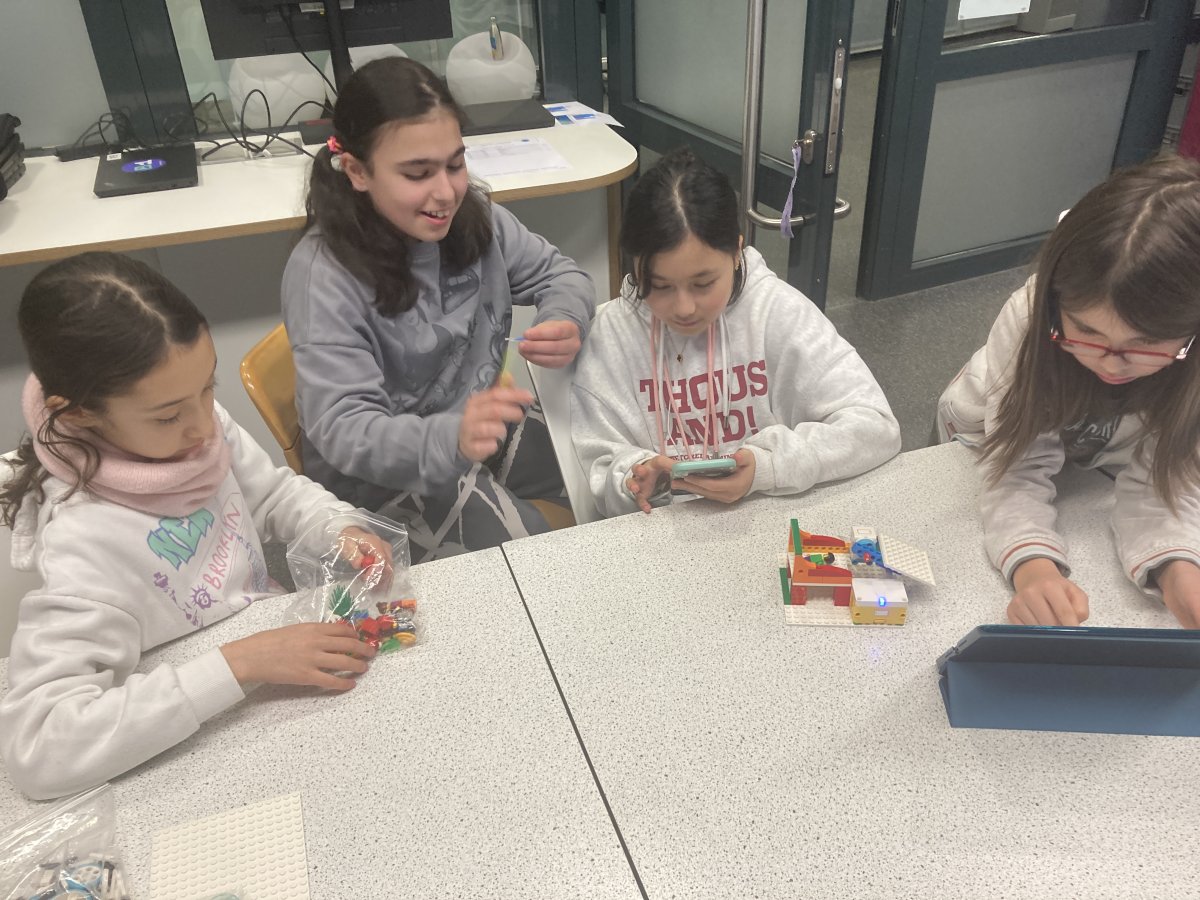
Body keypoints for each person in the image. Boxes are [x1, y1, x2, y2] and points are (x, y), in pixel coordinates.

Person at [0, 253, 390, 800]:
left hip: (270, 670)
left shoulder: (196, 427)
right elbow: (39, 751)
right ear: (79, 414)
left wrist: (336, 527)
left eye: (209, 388)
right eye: (168, 415)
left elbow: (272, 495)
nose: (205, 425)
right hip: (202, 741)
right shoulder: (81, 543)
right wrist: (242, 662)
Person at [283, 57, 594, 562]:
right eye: (417, 173)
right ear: (357, 171)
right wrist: (452, 437)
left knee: (604, 467)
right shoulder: (323, 275)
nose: (446, 192)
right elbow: (346, 431)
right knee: (536, 559)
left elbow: (562, 275)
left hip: (471, 425)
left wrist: (564, 318)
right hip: (383, 477)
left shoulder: (477, 218)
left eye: (455, 164)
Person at [937, 154, 1200, 628]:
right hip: (985, 434)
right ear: (1055, 302)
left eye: (1145, 343)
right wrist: (1034, 569)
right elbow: (1015, 467)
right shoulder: (1029, 318)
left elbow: (1166, 474)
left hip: (1101, 457)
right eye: (1087, 331)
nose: (1110, 362)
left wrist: (1179, 572)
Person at [570, 147, 901, 517]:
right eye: (660, 286)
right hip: (661, 531)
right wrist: (635, 479)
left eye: (703, 284)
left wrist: (767, 466)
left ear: (736, 253)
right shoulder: (613, 336)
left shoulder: (775, 311)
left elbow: (876, 426)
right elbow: (599, 464)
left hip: (772, 519)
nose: (684, 308)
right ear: (634, 267)